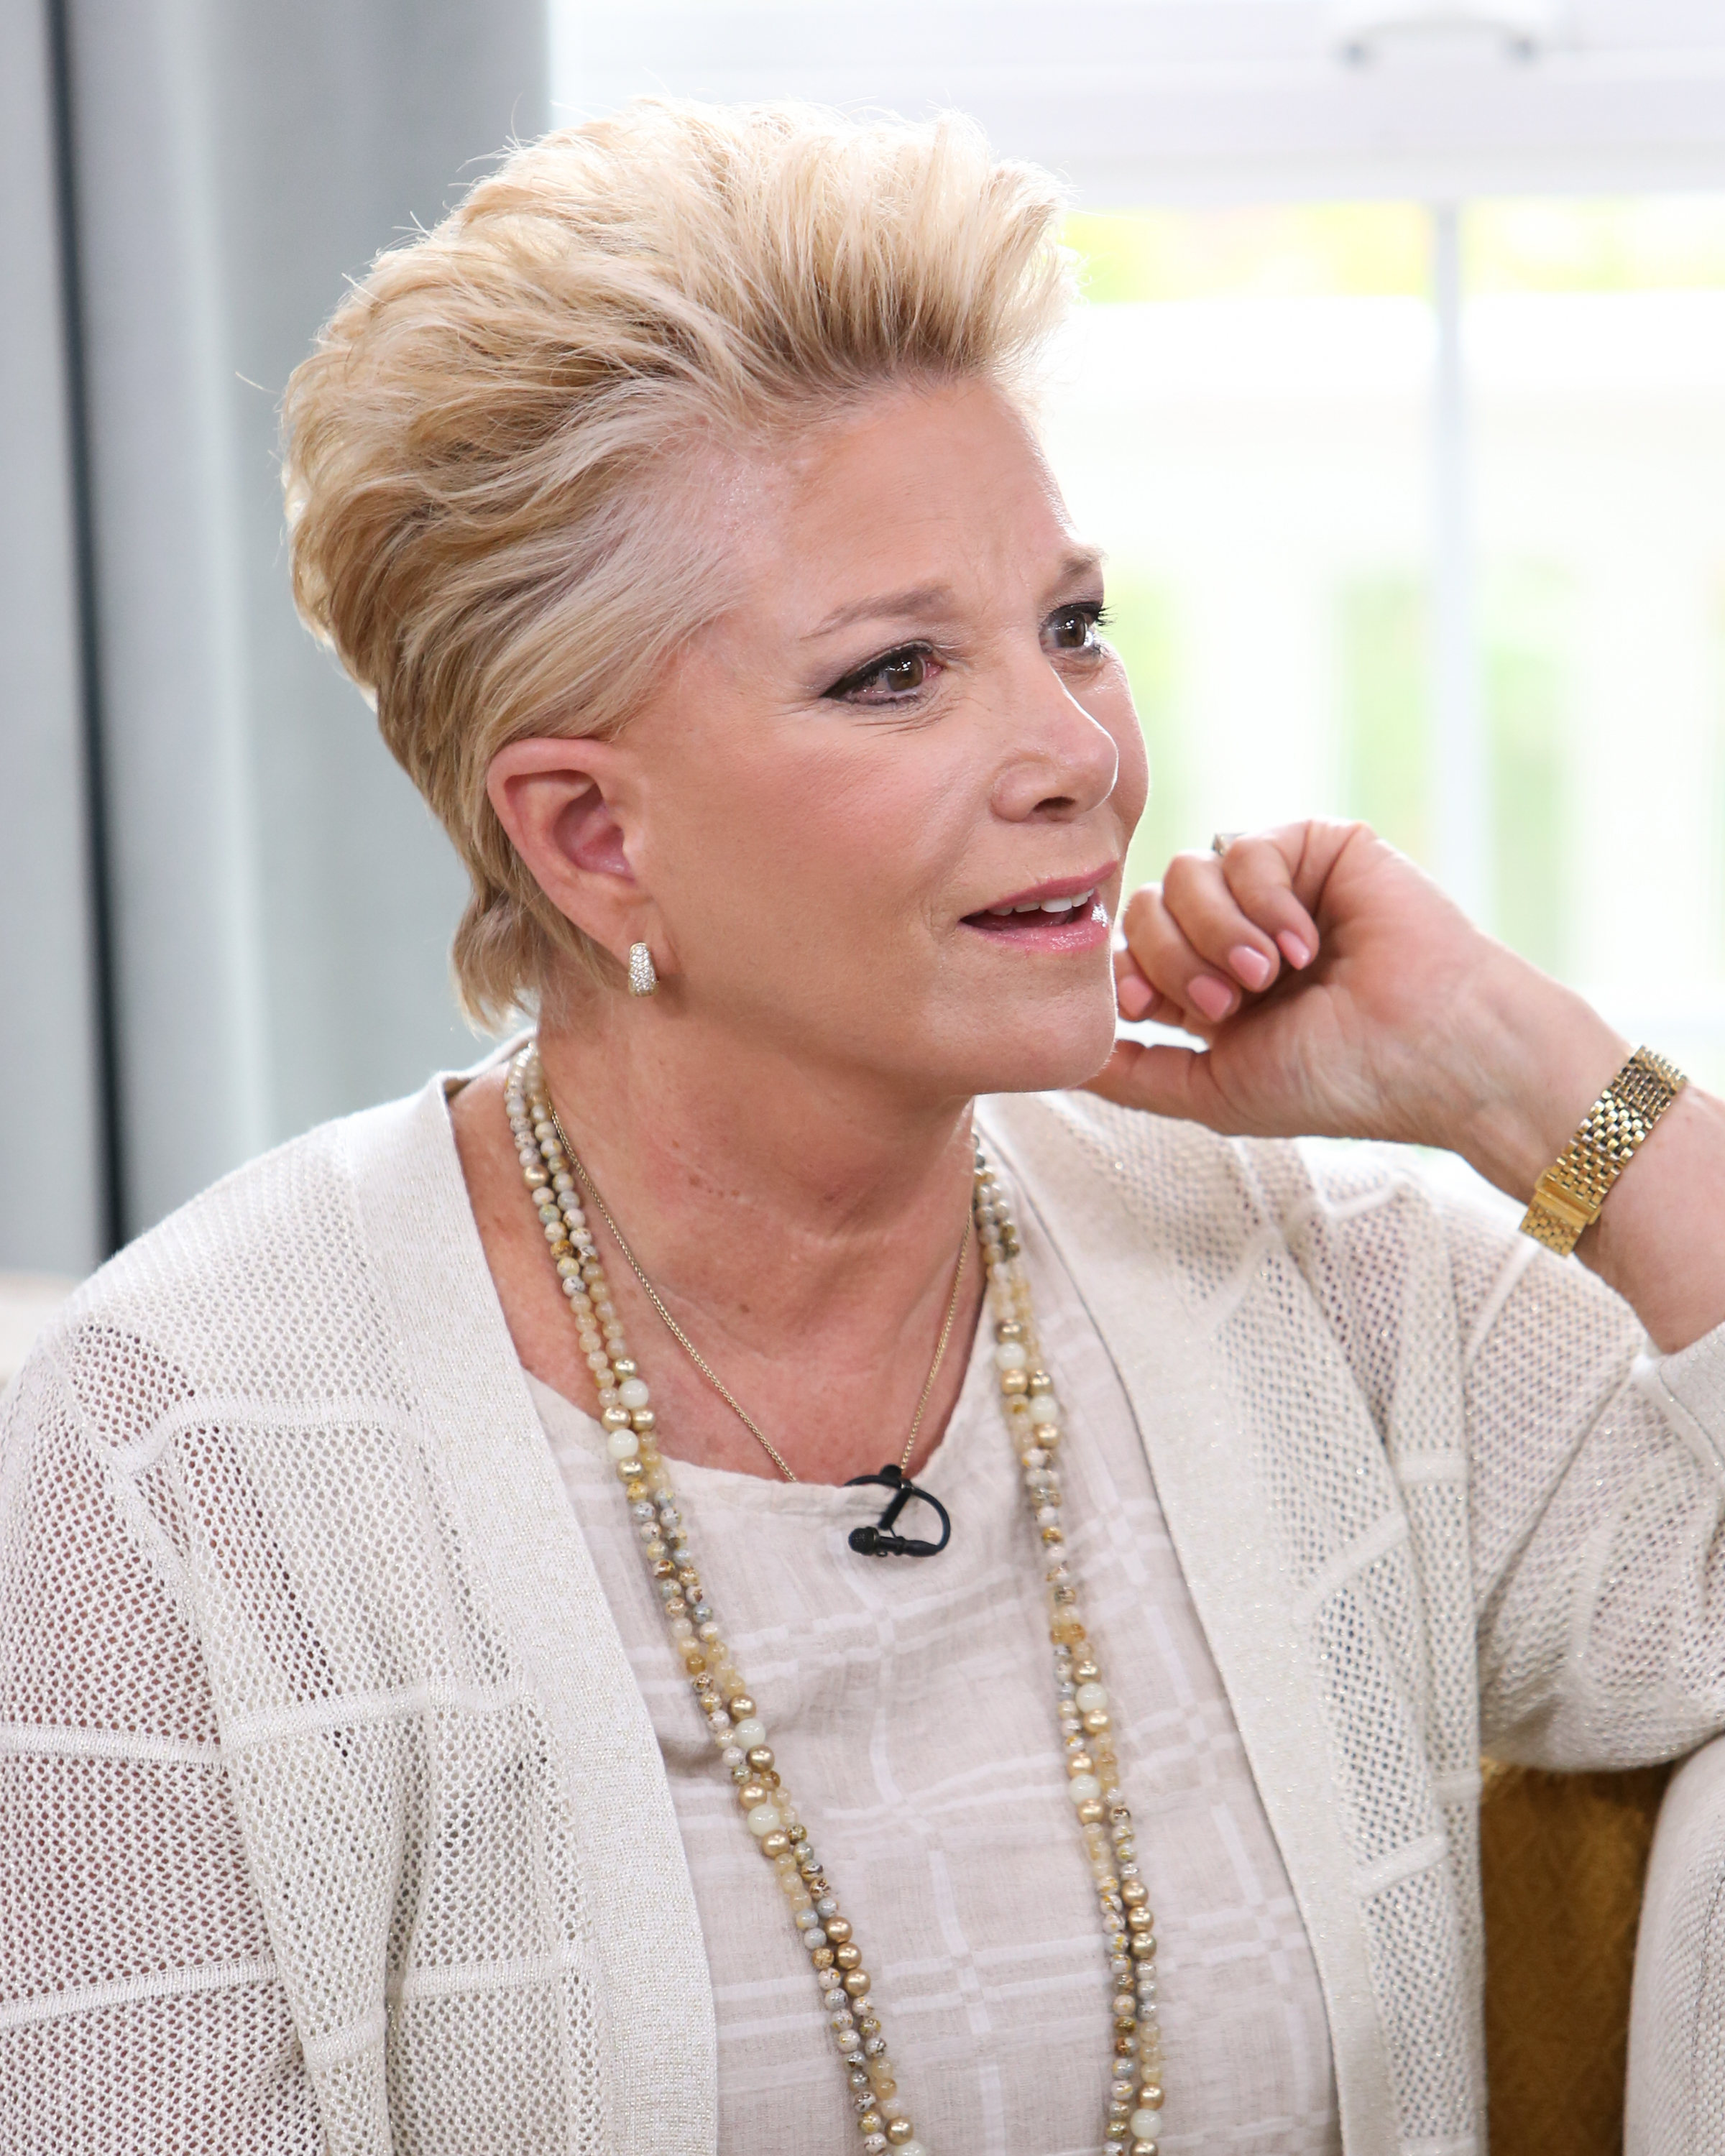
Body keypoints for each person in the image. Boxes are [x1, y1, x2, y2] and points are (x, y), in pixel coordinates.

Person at [4, 98, 1725, 2156]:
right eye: (899, 672)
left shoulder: (1317, 1291)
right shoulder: (182, 1469)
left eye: (1070, 626)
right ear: (589, 836)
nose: (1079, 752)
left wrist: (1528, 1074)